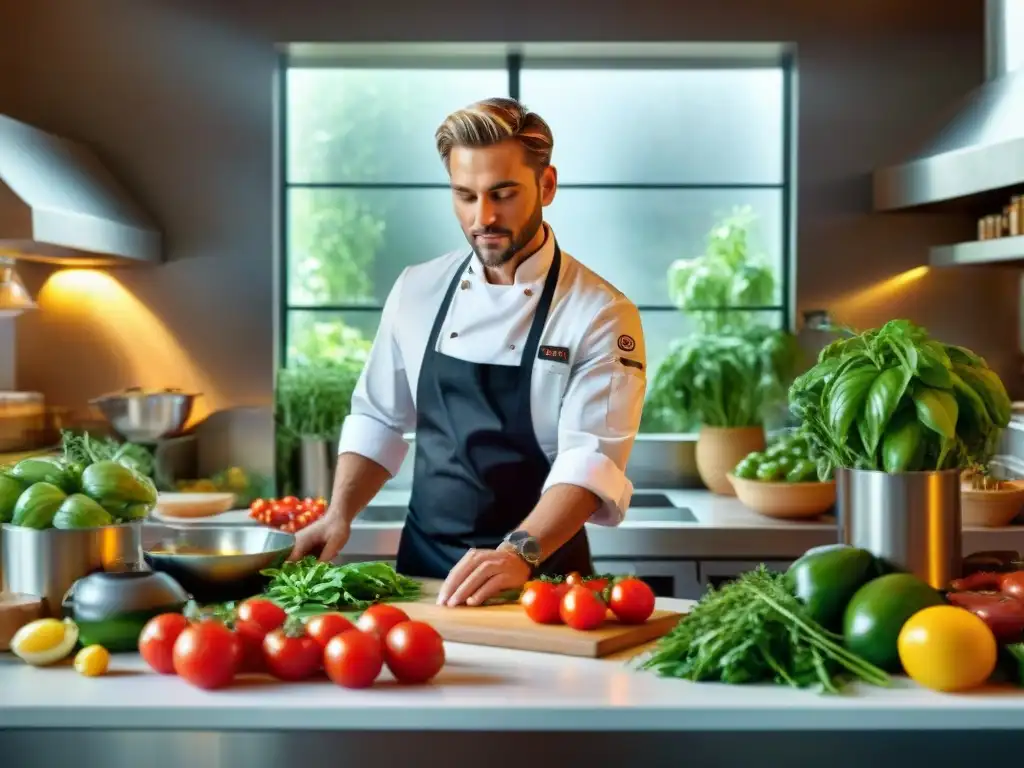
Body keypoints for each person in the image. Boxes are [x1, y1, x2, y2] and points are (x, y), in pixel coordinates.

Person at [289, 97, 647, 608]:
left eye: (503, 193)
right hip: (421, 577)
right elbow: (378, 418)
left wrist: (518, 552)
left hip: (541, 583)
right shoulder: (417, 289)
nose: (484, 217)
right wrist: (338, 514)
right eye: (465, 195)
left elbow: (590, 463)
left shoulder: (600, 312)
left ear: (546, 186)